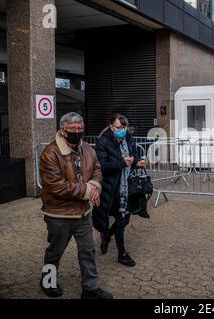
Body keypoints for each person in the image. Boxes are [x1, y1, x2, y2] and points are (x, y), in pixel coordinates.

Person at [39, 112, 113, 299]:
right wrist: (87, 190)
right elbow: (55, 186)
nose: (77, 132)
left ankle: (90, 289)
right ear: (63, 131)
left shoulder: (88, 149)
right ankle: (48, 281)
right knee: (55, 251)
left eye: (80, 128)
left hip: (83, 213)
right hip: (59, 214)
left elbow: (97, 169)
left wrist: (95, 186)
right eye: (73, 129)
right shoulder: (50, 153)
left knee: (87, 251)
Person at [92, 114, 146, 267]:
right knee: (120, 219)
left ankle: (107, 235)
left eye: (124, 127)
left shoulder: (129, 138)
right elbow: (102, 166)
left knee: (125, 219)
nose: (122, 130)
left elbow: (134, 157)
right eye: (118, 128)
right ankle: (122, 254)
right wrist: (122, 163)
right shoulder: (103, 142)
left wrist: (137, 162)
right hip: (111, 188)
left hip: (126, 186)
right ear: (111, 127)